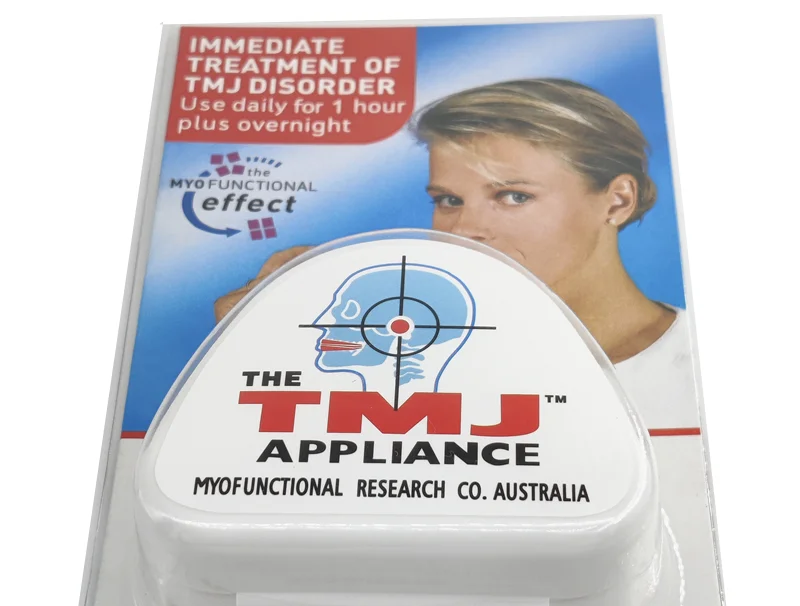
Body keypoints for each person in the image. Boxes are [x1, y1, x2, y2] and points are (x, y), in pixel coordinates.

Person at [214, 79, 698, 427]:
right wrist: (264, 351)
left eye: (513, 196)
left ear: (617, 201)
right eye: (448, 200)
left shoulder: (702, 372)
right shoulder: (402, 358)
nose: (464, 230)